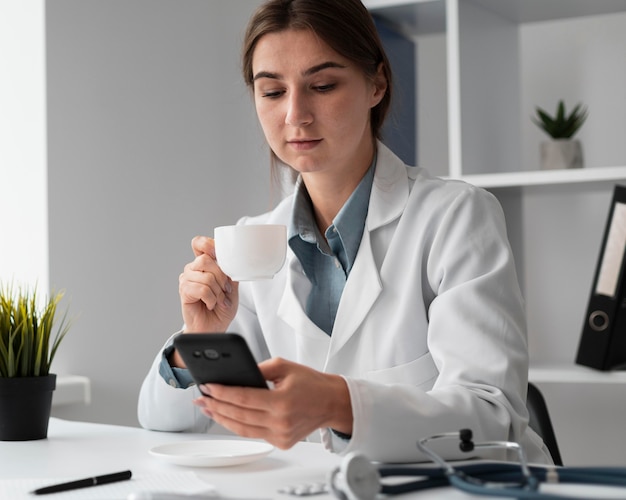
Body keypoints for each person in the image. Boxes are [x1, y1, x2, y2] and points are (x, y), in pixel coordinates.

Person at [138, 0, 552, 465]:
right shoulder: (251, 242)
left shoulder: (456, 216)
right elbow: (164, 421)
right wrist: (198, 340)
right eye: (272, 92)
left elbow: (493, 415)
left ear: (377, 83)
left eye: (323, 85)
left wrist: (339, 404)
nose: (295, 114)